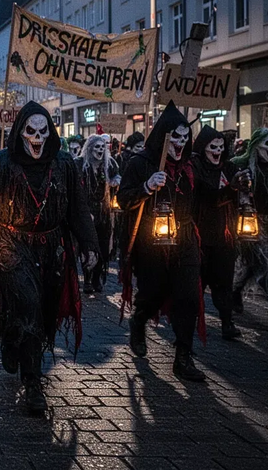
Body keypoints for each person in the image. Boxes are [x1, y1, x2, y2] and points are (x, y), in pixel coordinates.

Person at [0, 102, 98, 413]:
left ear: (50, 132)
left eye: (42, 132)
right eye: (30, 132)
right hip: (11, 243)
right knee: (29, 303)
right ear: (20, 132)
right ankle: (33, 382)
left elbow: (78, 208)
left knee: (44, 309)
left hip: (52, 247)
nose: (36, 138)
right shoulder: (0, 162)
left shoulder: (65, 164)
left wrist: (90, 245)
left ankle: (10, 333)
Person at [119, 102, 205, 382]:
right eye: (174, 137)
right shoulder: (141, 163)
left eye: (184, 137)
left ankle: (183, 357)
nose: (180, 143)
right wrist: (146, 187)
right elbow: (123, 199)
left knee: (189, 297)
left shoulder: (191, 166)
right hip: (151, 242)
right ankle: (139, 321)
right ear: (162, 136)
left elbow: (206, 198)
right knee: (153, 293)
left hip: (185, 239)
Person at [192, 126, 248, 340]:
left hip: (225, 237)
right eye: (212, 147)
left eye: (221, 147)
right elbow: (206, 197)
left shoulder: (230, 168)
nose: (217, 151)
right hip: (200, 235)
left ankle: (227, 322)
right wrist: (230, 189)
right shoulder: (195, 168)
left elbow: (240, 196)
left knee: (224, 281)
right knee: (197, 282)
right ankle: (192, 322)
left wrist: (245, 187)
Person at [76, 135, 120, 294]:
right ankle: (87, 278)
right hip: (87, 213)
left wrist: (115, 181)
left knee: (103, 246)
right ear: (89, 148)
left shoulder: (109, 165)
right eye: (97, 147)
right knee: (88, 247)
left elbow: (117, 178)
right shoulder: (80, 165)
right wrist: (84, 211)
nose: (100, 150)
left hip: (104, 212)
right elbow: (76, 190)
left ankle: (97, 277)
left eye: (103, 147)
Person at [232, 128, 268, 309]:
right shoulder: (244, 165)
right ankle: (236, 291)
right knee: (259, 260)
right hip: (252, 221)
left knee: (256, 264)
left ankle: (236, 290)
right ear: (256, 145)